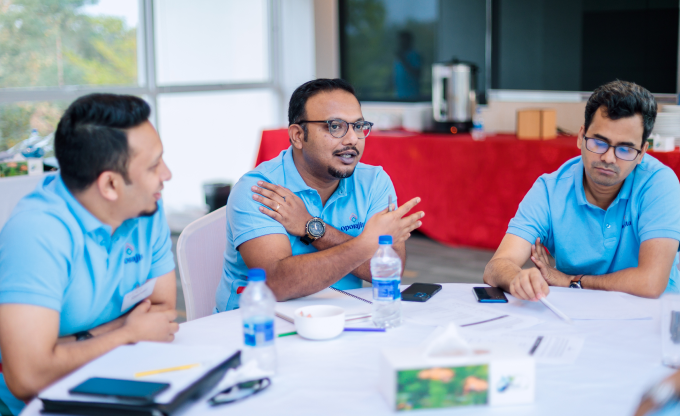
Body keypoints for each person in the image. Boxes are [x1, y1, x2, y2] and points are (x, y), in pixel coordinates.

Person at [0, 94, 179, 415]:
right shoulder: (36, 233)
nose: (167, 175)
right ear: (110, 184)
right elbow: (27, 376)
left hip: (122, 378)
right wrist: (127, 333)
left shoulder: (145, 205)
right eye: (154, 165)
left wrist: (67, 346)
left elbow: (163, 312)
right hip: (40, 404)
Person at [215, 78, 424, 311]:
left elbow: (389, 271)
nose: (352, 139)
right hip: (257, 328)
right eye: (335, 126)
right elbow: (276, 285)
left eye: (358, 126)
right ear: (297, 136)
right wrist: (366, 245)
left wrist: (312, 227)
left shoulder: (373, 181)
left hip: (344, 320)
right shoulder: (260, 189)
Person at [483, 80, 680, 301]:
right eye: (599, 142)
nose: (608, 158)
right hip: (577, 315)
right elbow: (496, 266)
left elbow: (651, 283)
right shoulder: (550, 190)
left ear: (643, 152)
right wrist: (517, 278)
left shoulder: (659, 183)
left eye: (625, 148)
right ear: (580, 136)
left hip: (654, 315)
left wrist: (573, 281)